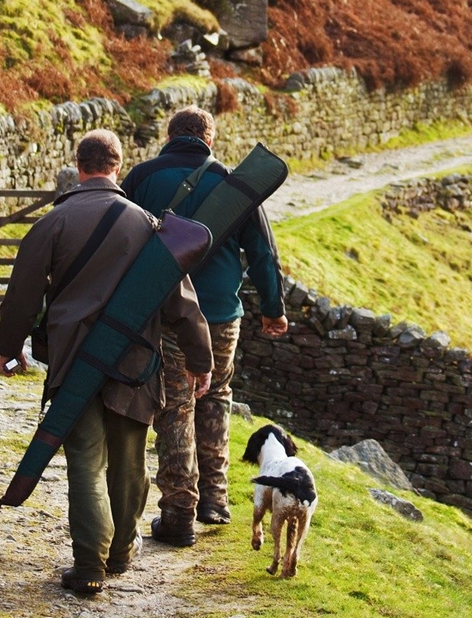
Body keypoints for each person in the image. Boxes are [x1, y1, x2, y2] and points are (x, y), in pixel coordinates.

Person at [0, 129, 213, 593]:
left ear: (79, 166)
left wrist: (8, 348)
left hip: (74, 361)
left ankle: (89, 565)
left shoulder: (53, 222)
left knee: (85, 462)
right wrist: (201, 360)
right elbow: (182, 303)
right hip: (134, 364)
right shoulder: (149, 225)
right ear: (118, 166)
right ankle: (120, 553)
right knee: (130, 463)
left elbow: (22, 296)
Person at [120, 105, 288, 546]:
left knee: (176, 403)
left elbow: (119, 239)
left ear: (170, 136)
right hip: (219, 314)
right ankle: (214, 500)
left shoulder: (141, 178)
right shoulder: (234, 185)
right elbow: (263, 254)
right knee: (216, 397)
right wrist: (273, 309)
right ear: (209, 139)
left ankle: (179, 512)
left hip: (166, 311)